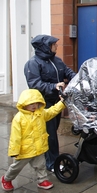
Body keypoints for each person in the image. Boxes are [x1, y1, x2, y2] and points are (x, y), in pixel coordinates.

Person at [24, 35, 76, 172]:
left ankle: (48, 157)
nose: (56, 46)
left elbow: (67, 71)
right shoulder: (33, 64)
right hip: (43, 103)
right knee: (50, 134)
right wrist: (54, 86)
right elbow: (35, 83)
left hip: (56, 102)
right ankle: (51, 164)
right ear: (45, 46)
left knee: (52, 131)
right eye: (54, 44)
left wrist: (77, 78)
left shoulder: (56, 60)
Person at [1, 89, 66, 191]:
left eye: (36, 103)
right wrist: (14, 151)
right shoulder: (19, 118)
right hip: (24, 151)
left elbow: (52, 111)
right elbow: (15, 137)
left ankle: (42, 180)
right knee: (16, 167)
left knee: (40, 165)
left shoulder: (41, 113)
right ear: (24, 103)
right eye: (31, 103)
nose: (34, 105)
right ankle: (7, 179)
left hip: (38, 148)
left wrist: (62, 103)